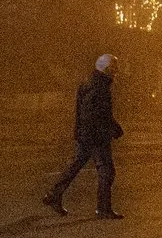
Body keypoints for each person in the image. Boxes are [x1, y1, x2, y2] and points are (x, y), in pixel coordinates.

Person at [44, 54, 123, 218]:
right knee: (106, 171)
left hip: (87, 134)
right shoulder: (99, 86)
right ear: (107, 69)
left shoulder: (91, 82)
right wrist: (111, 129)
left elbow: (89, 111)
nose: (117, 71)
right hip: (96, 136)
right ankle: (103, 209)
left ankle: (54, 195)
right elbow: (97, 113)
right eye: (114, 67)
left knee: (75, 165)